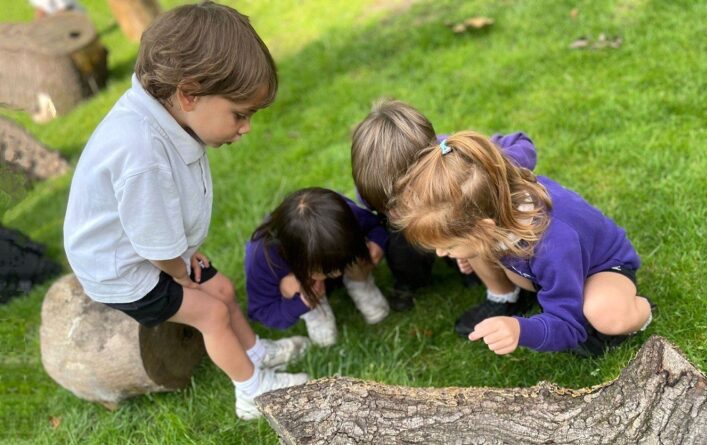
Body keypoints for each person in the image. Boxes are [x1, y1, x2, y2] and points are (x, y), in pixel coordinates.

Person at [63, 2, 308, 421]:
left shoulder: (169, 116)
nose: (246, 127)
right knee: (211, 312)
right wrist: (179, 272)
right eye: (239, 114)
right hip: (123, 269)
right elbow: (153, 239)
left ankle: (255, 351)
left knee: (224, 291)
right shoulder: (142, 153)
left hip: (148, 248)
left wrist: (184, 254)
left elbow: (156, 217)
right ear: (190, 93)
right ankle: (252, 391)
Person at [390, 131, 653, 357]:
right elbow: (450, 153)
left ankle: (641, 310)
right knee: (492, 258)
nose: (440, 253)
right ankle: (537, 290)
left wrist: (520, 329)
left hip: (601, 268)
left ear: (484, 228)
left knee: (604, 315)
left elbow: (567, 324)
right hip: (534, 259)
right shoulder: (486, 181)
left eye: (448, 247)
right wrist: (461, 249)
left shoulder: (554, 245)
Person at [351, 99, 538, 336]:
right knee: (403, 242)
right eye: (391, 204)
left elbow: (519, 143)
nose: (398, 208)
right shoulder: (375, 187)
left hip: (469, 220)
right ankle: (419, 277)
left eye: (406, 197)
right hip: (429, 229)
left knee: (472, 228)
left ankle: (503, 295)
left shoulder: (457, 158)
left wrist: (495, 172)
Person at [245, 188, 390, 347]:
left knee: (360, 250)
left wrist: (377, 243)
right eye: (327, 272)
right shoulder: (262, 257)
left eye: (338, 269)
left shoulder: (345, 217)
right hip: (302, 285)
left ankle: (359, 284)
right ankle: (316, 312)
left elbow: (378, 224)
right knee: (290, 284)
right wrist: (299, 304)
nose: (336, 275)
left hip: (346, 264)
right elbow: (262, 311)